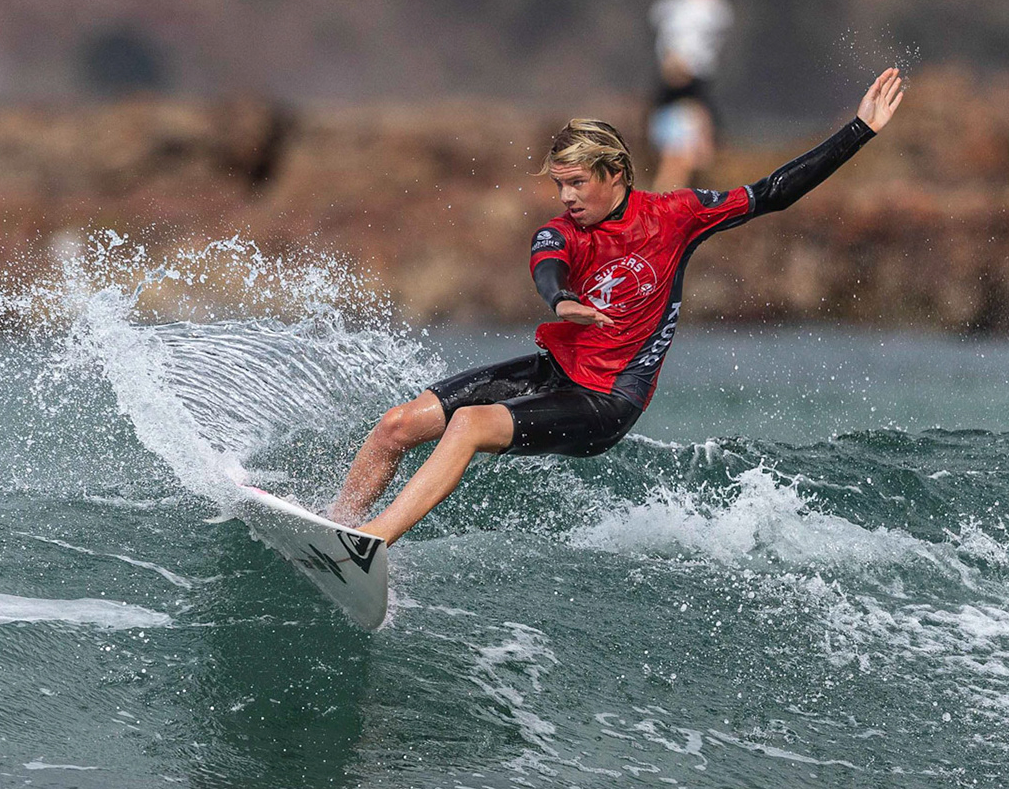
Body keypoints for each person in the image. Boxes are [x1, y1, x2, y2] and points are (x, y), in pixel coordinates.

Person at [329, 68, 906, 545]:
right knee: (396, 425)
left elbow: (773, 192)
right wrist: (562, 301)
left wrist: (860, 130)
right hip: (557, 372)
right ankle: (334, 528)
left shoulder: (676, 215)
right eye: (560, 184)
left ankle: (372, 541)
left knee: (470, 424)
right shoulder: (564, 231)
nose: (567, 197)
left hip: (606, 401)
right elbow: (548, 267)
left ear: (617, 174)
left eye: (578, 183)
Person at [648, 0, 734, 191]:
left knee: (689, 161)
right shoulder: (697, 8)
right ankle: (662, 204)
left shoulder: (696, 8)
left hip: (687, 92)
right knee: (678, 163)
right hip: (682, 97)